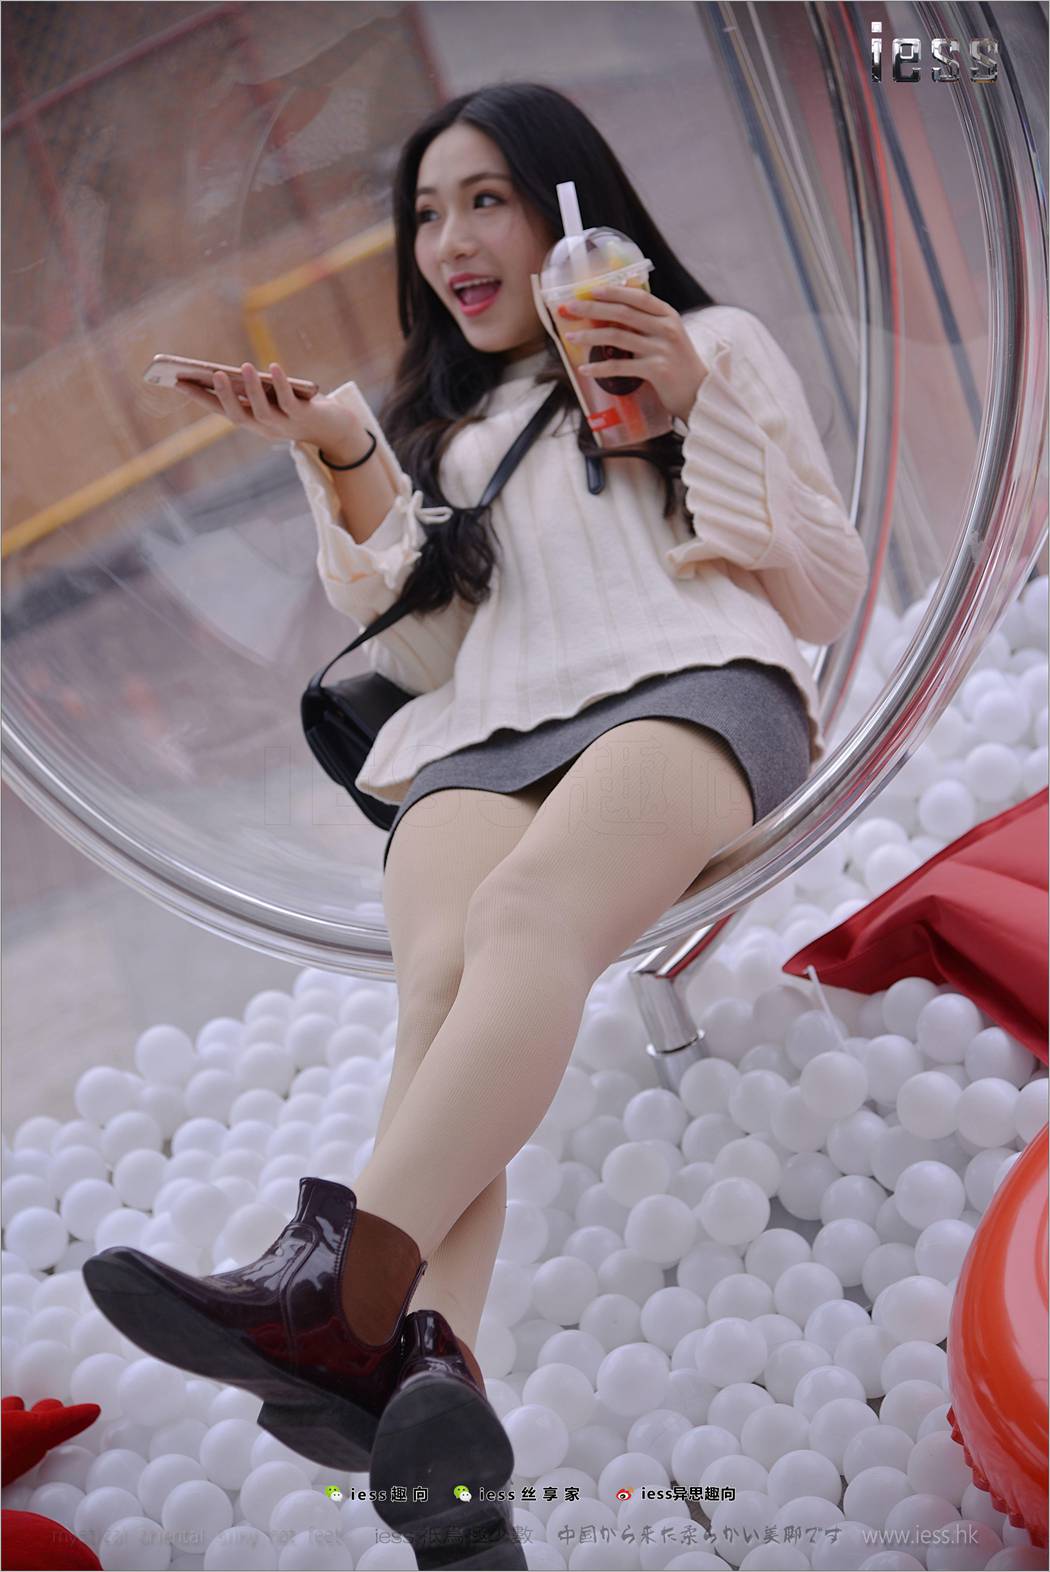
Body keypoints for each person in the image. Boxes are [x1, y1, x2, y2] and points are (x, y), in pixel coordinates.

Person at [84, 81, 869, 1571]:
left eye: (487, 200)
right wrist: (343, 448)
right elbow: (433, 650)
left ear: (570, 202)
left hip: (697, 691)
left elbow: (822, 591)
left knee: (524, 920)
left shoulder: (707, 342)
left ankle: (330, 1296)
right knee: (439, 992)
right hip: (488, 732)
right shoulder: (443, 433)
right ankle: (438, 1418)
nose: (450, 239)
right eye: (428, 213)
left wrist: (693, 401)